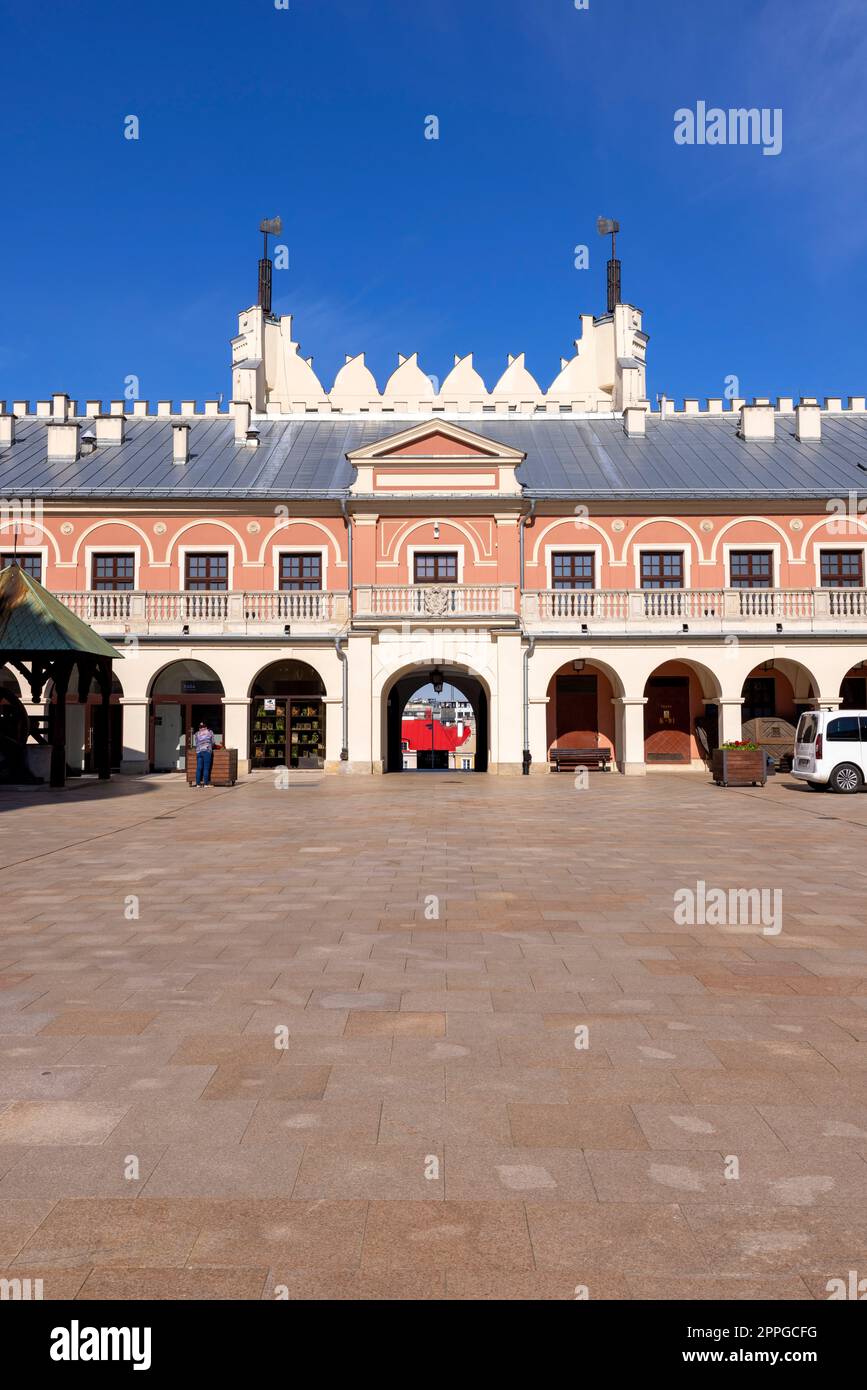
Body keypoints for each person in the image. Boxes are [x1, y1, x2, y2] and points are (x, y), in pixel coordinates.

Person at [193, 721, 215, 787]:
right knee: (206, 768)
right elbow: (213, 742)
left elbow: (196, 743)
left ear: (199, 727)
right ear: (206, 727)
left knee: (199, 768)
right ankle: (206, 784)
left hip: (199, 751)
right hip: (207, 751)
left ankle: (198, 784)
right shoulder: (210, 732)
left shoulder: (197, 733)